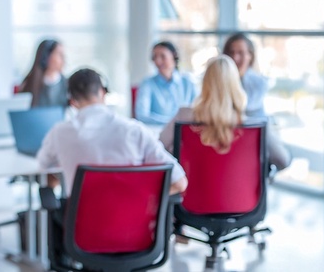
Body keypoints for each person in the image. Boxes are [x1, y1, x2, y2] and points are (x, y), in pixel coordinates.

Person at [36, 68, 188, 266]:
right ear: (102, 93)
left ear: (72, 101)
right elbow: (180, 182)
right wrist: (146, 200)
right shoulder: (136, 131)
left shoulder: (60, 133)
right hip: (137, 231)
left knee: (58, 204)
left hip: (84, 234)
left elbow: (42, 165)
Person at [160, 55, 292, 172]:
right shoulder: (255, 125)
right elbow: (282, 160)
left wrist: (180, 154)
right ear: (235, 85)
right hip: (243, 198)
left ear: (205, 83)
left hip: (190, 197)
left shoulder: (183, 116)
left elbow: (158, 149)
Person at [135, 41, 198, 126]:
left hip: (184, 133)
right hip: (157, 133)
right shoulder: (147, 84)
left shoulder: (188, 82)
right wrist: (174, 123)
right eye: (154, 57)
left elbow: (197, 111)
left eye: (162, 56)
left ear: (174, 55)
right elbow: (142, 116)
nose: (158, 61)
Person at [223, 33, 269, 123]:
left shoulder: (258, 83)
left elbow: (245, 109)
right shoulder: (217, 82)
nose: (235, 58)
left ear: (250, 56)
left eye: (241, 53)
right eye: (231, 53)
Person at [19, 39, 68, 108]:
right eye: (59, 54)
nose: (63, 59)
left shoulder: (66, 83)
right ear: (46, 57)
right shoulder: (28, 84)